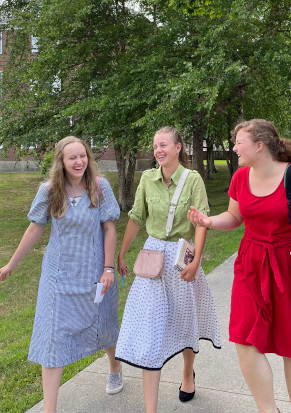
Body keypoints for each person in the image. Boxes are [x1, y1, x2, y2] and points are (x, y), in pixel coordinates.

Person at [187, 119, 291, 413]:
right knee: (244, 339)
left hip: (289, 266)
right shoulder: (240, 177)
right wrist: (209, 221)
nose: (234, 148)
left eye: (238, 142)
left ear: (259, 146)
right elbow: (235, 218)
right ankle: (268, 410)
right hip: (250, 264)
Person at [0, 136, 123, 413]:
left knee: (104, 325)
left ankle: (115, 366)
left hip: (95, 273)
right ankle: (49, 409)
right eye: (72, 158)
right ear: (62, 162)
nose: (79, 162)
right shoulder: (49, 191)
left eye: (83, 156)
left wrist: (108, 268)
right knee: (52, 337)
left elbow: (109, 228)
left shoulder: (100, 187)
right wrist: (11, 264)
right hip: (58, 277)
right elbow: (34, 229)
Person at [115, 126, 221, 413]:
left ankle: (188, 374)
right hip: (152, 258)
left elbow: (201, 221)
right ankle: (151, 410)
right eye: (155, 146)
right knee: (149, 332)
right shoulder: (148, 179)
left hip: (182, 257)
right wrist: (122, 253)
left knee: (186, 321)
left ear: (178, 147)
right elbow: (137, 217)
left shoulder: (193, 179)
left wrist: (197, 260)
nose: (158, 150)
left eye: (163, 145)